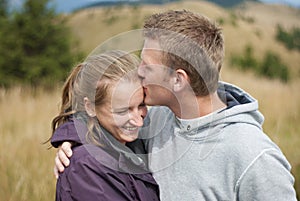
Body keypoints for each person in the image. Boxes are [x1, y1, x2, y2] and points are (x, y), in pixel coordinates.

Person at [52, 10, 297, 200]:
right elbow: (106, 116)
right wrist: (75, 139)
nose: (138, 71)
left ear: (178, 79)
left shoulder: (255, 157)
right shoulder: (156, 117)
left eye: (147, 66)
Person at [50, 50, 160, 200]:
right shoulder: (86, 166)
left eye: (141, 105)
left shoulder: (129, 144)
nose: (139, 121)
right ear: (90, 107)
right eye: (122, 111)